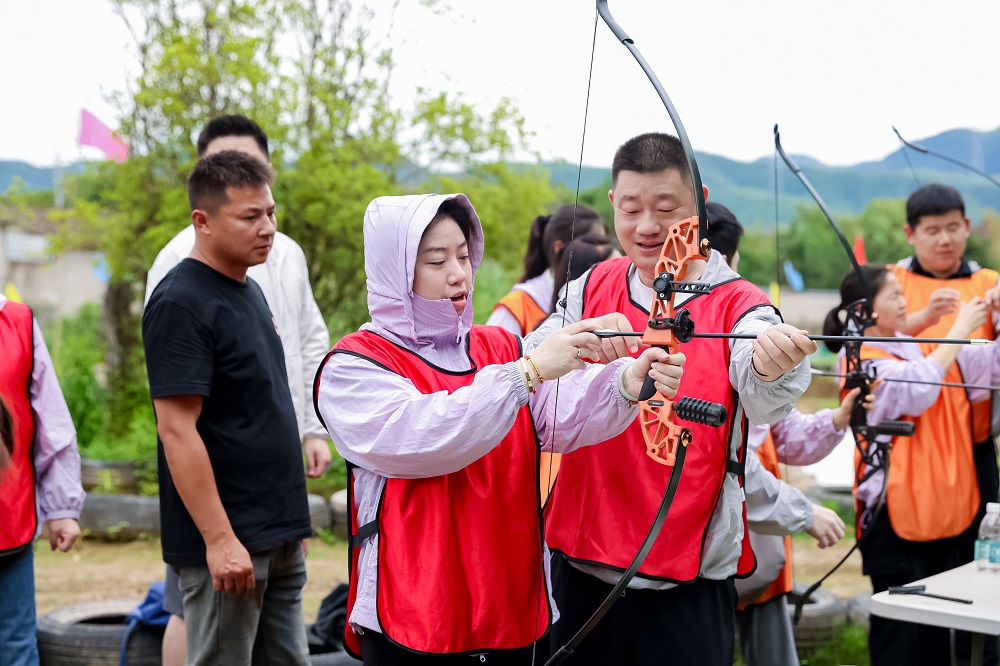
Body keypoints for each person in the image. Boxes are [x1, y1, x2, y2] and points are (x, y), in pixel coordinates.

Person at [314, 193, 684, 664]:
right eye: (436, 261)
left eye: (463, 256)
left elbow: (559, 413)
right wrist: (527, 372)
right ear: (395, 272)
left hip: (508, 599)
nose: (458, 274)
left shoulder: (500, 346)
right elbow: (423, 436)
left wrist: (628, 382)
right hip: (413, 609)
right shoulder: (355, 365)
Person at [526, 133, 816, 666]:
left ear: (699, 202)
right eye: (630, 208)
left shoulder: (741, 303)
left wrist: (772, 363)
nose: (646, 227)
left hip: (688, 578)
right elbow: (534, 364)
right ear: (612, 203)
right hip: (580, 564)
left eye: (666, 208)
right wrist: (575, 343)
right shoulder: (590, 285)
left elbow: (762, 391)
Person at [144, 115, 331, 666]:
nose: (267, 228)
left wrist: (292, 523)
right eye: (250, 217)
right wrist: (220, 539)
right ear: (202, 221)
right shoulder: (180, 301)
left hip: (277, 532)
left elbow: (266, 407)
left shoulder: (249, 287)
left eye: (270, 212)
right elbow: (177, 431)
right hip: (230, 542)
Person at [821, 263, 1000, 666]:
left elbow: (986, 366)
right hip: (892, 511)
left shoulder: (910, 342)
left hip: (937, 505)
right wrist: (957, 328)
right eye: (895, 296)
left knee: (932, 628)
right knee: (900, 636)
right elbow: (916, 388)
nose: (905, 302)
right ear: (865, 310)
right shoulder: (860, 357)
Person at [703, 201, 850, 665]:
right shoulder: (704, 334)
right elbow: (723, 460)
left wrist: (837, 419)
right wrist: (803, 511)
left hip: (760, 539)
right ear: (729, 259)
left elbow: (781, 433)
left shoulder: (744, 324)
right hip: (708, 543)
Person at [0, 293, 85, 665]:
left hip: (9, 521)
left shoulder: (17, 322)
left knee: (16, 647)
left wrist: (62, 506)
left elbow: (50, 418)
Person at [487, 204, 607, 336]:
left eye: (604, 244)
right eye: (592, 244)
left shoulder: (599, 298)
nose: (603, 252)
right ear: (559, 248)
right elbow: (491, 348)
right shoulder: (517, 306)